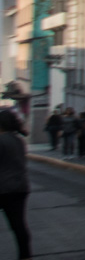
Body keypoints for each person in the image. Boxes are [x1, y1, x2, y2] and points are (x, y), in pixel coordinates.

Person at [0, 107, 29, 257]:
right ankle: (25, 256)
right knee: (18, 225)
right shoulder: (19, 140)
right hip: (20, 187)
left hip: (3, 187)